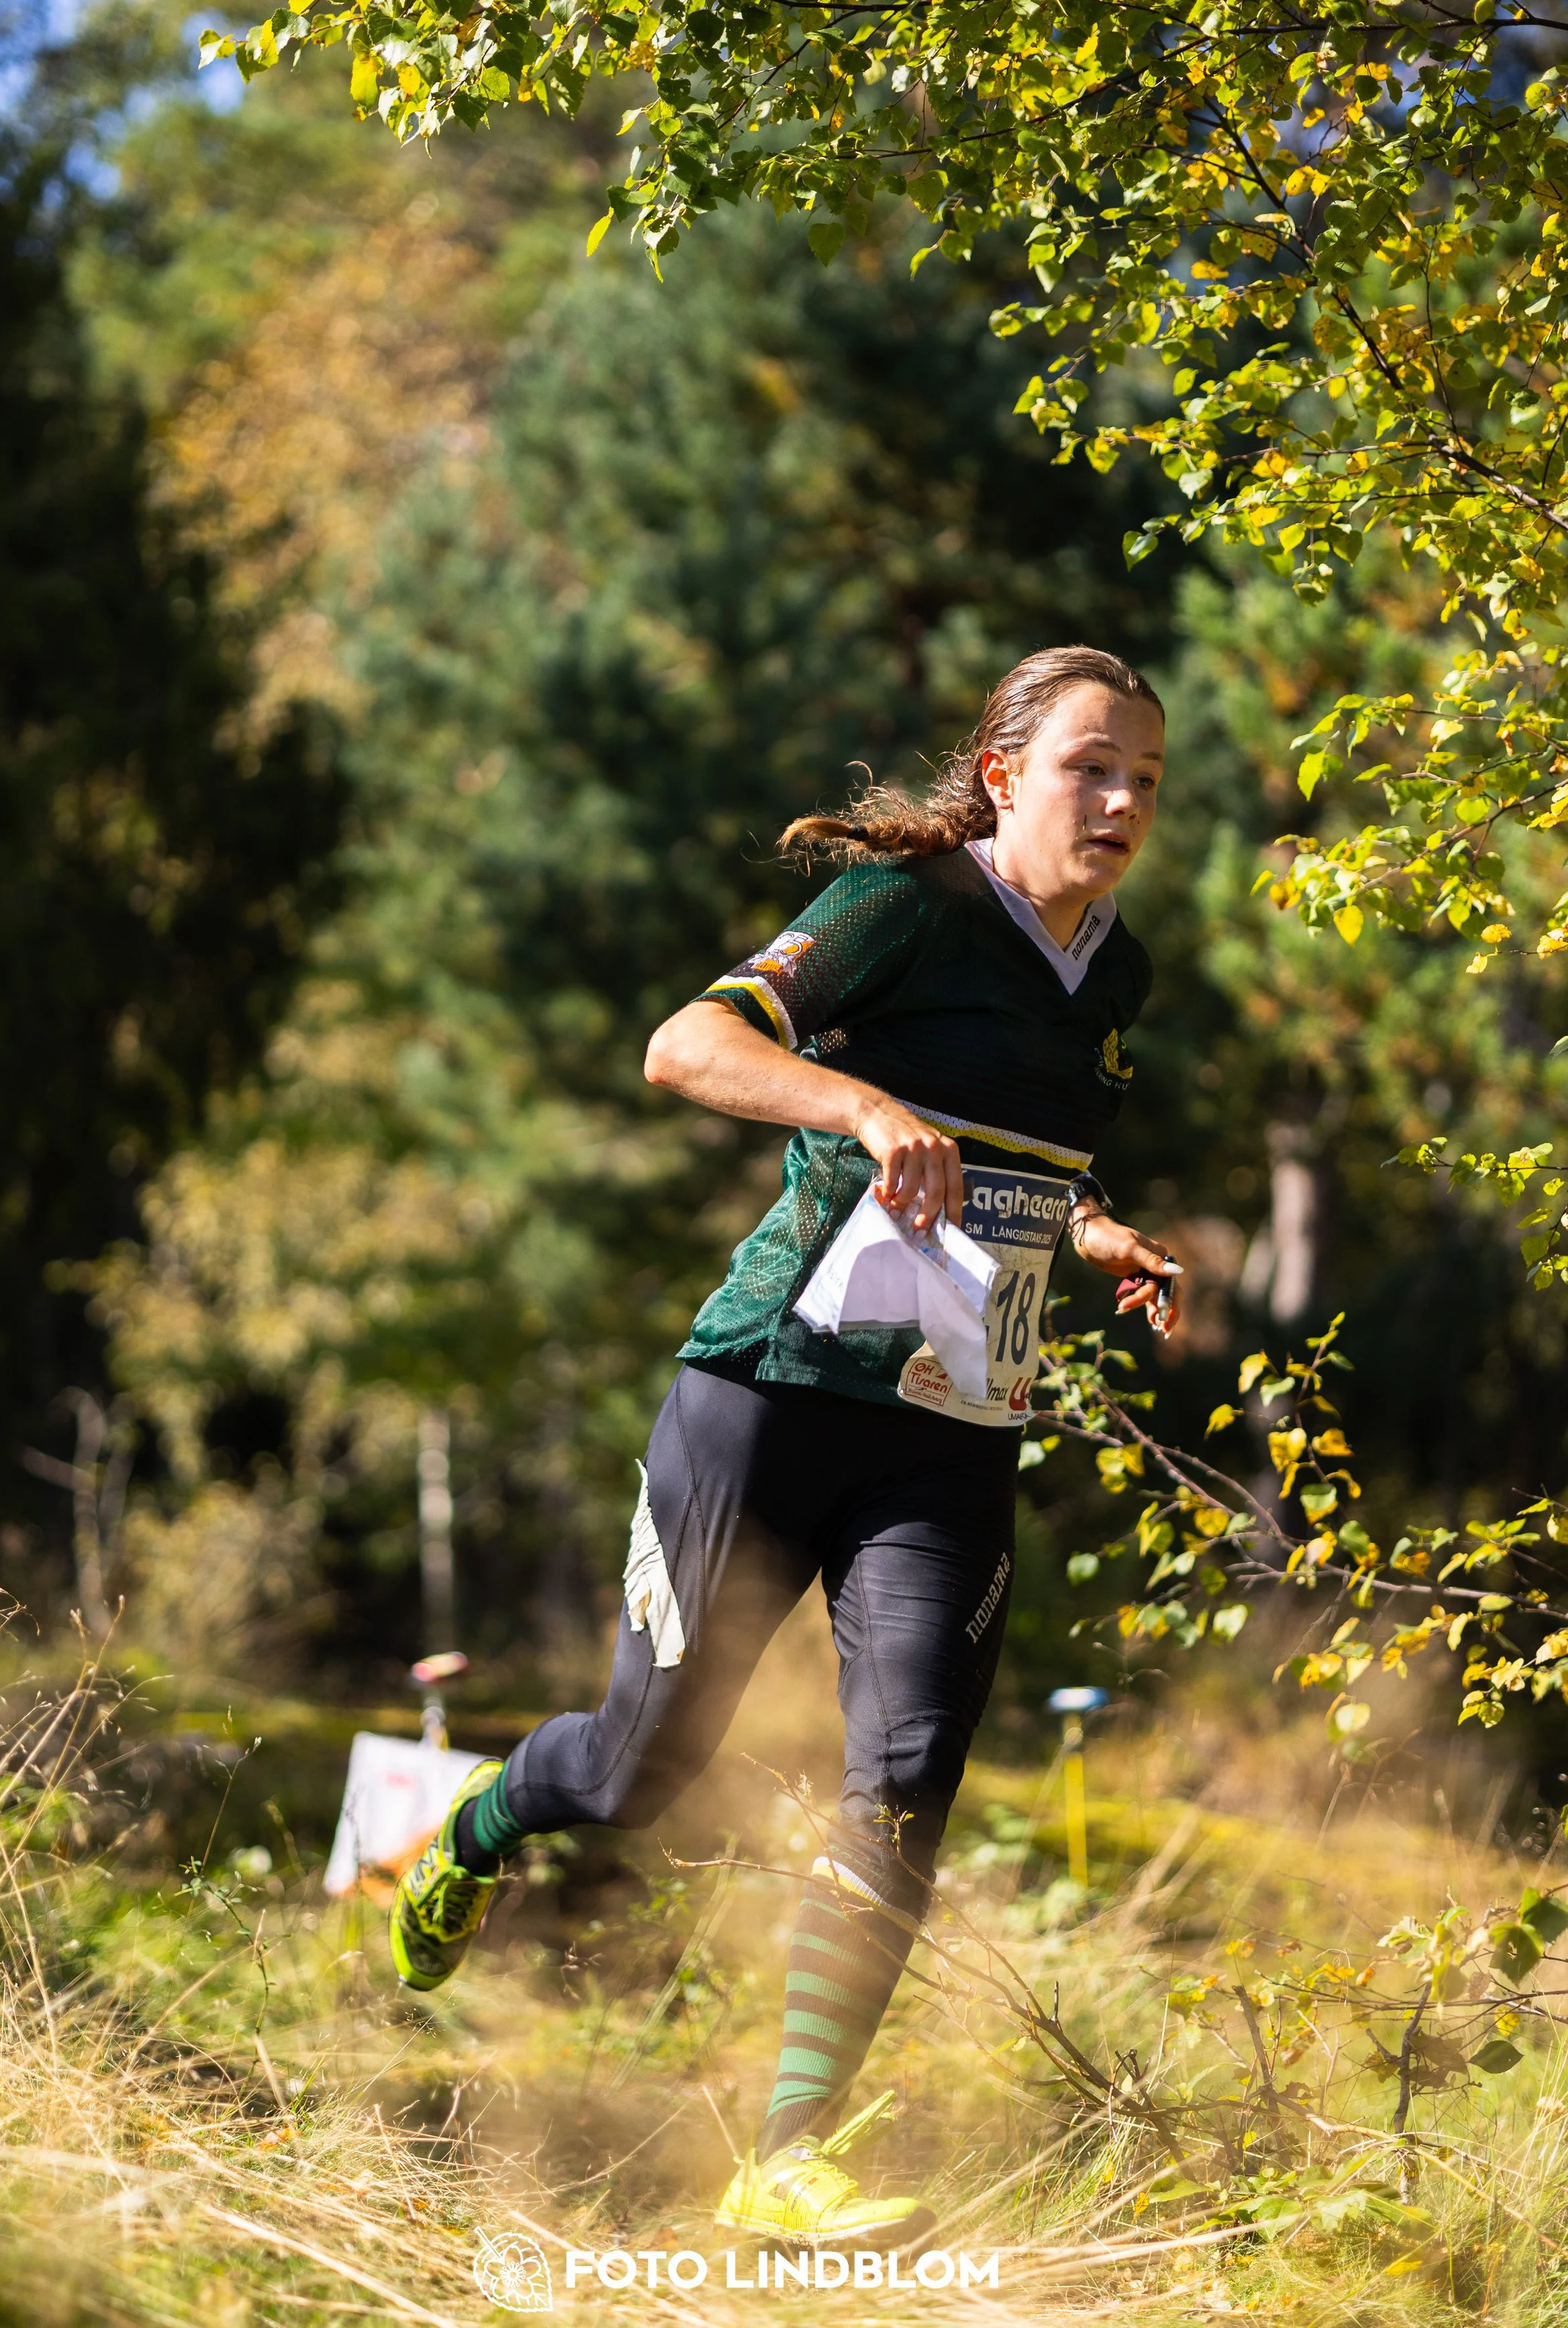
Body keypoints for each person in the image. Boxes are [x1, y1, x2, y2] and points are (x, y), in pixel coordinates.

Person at [389, 645, 1182, 2245]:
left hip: (954, 1430)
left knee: (905, 1776)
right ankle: (475, 1825)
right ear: (1004, 769)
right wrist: (851, 1104)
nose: (1118, 804)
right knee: (640, 1766)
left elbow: (1015, 1161)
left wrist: (1087, 1231)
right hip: (767, 1397)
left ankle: (790, 2150)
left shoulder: (1120, 977)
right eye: (1090, 767)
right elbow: (683, 1044)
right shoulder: (906, 905)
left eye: (1145, 783)